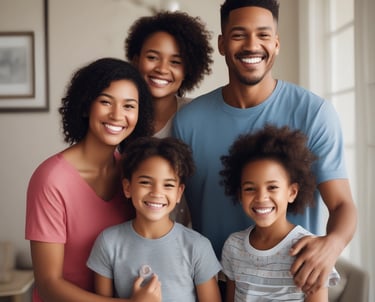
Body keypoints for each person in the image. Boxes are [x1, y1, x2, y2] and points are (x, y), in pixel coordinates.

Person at [172, 0, 357, 295]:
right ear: (221, 44)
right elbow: (180, 211)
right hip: (213, 284)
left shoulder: (314, 113)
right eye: (239, 34)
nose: (252, 45)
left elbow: (342, 206)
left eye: (263, 34)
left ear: (277, 43)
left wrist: (331, 245)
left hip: (292, 284)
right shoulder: (188, 122)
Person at [25, 58, 162, 302]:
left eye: (129, 106)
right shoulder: (50, 179)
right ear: (87, 105)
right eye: (106, 102)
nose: (117, 115)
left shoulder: (133, 174)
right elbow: (48, 284)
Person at [87, 136, 222, 302]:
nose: (157, 193)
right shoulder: (108, 242)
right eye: (145, 182)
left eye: (168, 185)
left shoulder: (198, 246)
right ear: (127, 187)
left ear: (179, 193)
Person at [220, 125, 340, 301]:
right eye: (250, 188)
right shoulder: (233, 246)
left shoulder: (310, 252)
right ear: (239, 195)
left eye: (272, 187)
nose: (261, 197)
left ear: (292, 192)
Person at [125, 11, 214, 225]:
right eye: (153, 57)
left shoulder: (200, 116)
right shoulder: (121, 118)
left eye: (175, 62)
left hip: (188, 244)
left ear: (188, 70)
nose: (162, 69)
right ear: (136, 60)